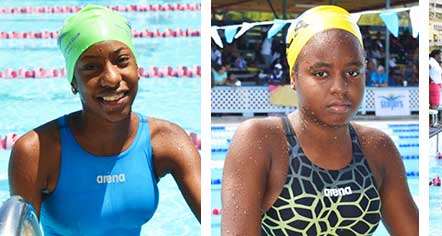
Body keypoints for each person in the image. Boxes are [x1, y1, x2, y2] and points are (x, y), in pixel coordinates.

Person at [220, 5, 418, 235]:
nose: (339, 88)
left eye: (352, 72)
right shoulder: (261, 141)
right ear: (294, 78)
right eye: (321, 73)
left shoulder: (378, 148)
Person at [9, 5, 201, 235]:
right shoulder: (37, 152)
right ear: (73, 82)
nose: (111, 78)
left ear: (138, 68)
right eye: (91, 67)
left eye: (121, 61)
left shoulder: (167, 140)